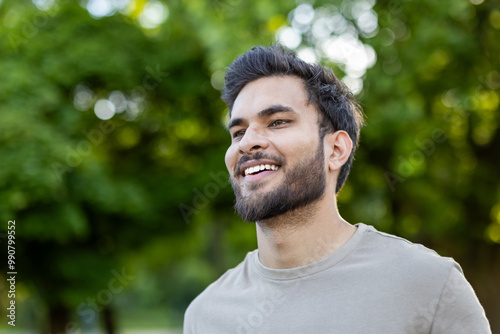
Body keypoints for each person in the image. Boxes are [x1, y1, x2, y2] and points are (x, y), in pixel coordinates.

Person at [183, 44, 491, 334]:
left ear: (336, 149)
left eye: (277, 122)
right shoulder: (205, 315)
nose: (247, 142)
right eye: (238, 132)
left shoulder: (430, 286)